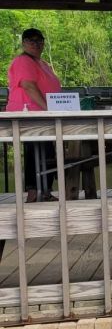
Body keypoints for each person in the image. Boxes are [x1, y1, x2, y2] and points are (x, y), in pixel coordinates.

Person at [6, 28, 62, 202]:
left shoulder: (42, 63)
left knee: (46, 151)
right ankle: (33, 192)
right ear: (23, 43)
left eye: (40, 41)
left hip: (43, 115)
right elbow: (29, 86)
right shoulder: (23, 61)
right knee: (34, 151)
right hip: (30, 114)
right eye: (31, 41)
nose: (36, 44)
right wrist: (47, 108)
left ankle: (44, 190)